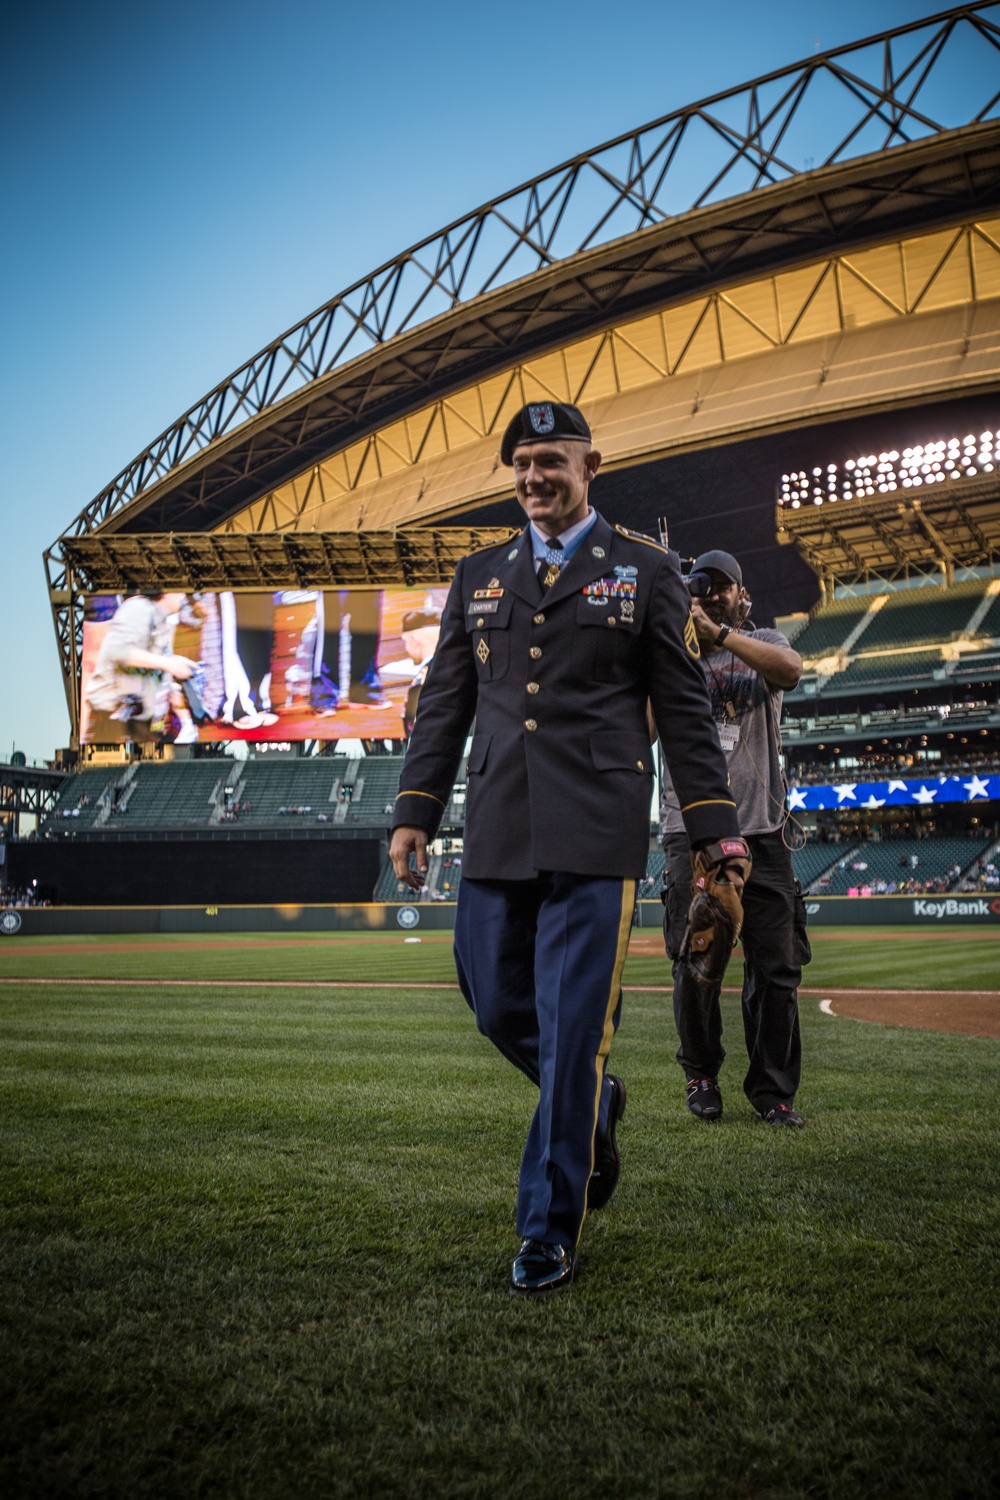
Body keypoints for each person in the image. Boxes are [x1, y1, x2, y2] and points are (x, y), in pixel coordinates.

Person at [389, 402, 748, 1298]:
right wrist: (414, 812)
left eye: (551, 460)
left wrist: (715, 831)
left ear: (592, 466)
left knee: (573, 1031)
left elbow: (686, 710)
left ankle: (547, 1229)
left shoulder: (647, 570)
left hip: (596, 831)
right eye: (521, 463)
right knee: (492, 1003)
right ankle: (599, 1101)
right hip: (499, 828)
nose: (534, 477)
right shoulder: (479, 573)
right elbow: (445, 705)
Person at [660, 550, 810, 1128]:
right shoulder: (674, 649)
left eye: (723, 587)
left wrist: (719, 632)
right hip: (690, 827)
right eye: (702, 587)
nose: (712, 594)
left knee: (776, 967)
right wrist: (677, 642)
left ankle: (772, 1091)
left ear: (742, 596)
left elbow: (791, 670)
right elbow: (645, 726)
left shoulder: (762, 639)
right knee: (697, 960)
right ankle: (700, 1074)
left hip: (762, 830)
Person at [83, 591, 200, 744]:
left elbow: (146, 660)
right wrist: (167, 663)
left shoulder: (162, 619)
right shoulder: (139, 608)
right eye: (179, 592)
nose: (183, 596)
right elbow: (119, 651)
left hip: (137, 719)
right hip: (112, 718)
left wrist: (173, 664)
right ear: (165, 593)